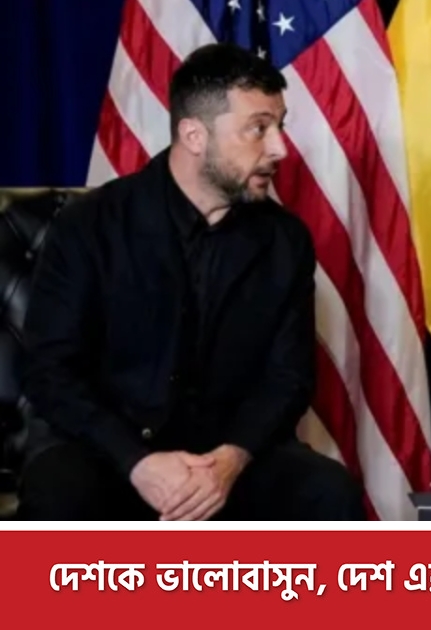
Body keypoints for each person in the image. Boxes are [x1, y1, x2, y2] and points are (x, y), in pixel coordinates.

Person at [16, 43, 365, 520]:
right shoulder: (88, 226)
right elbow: (49, 371)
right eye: (258, 128)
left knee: (329, 492)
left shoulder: (285, 240)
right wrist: (137, 463)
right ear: (194, 135)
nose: (279, 148)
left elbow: (289, 378)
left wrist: (231, 460)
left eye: (280, 126)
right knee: (59, 496)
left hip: (228, 457)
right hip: (107, 452)